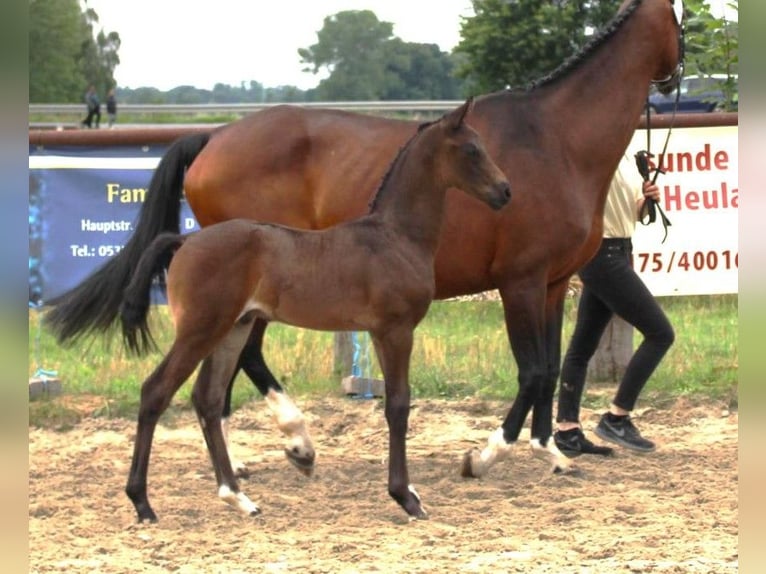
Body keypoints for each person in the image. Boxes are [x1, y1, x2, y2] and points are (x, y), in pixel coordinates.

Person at [553, 155, 675, 457]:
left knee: (582, 346)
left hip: (619, 251)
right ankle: (616, 417)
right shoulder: (589, 154)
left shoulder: (622, 158)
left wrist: (647, 201)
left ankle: (567, 431)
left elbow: (631, 214)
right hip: (601, 254)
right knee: (661, 334)